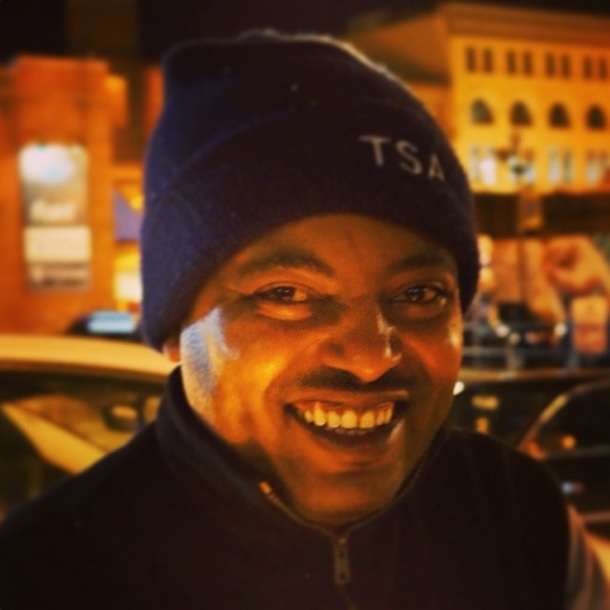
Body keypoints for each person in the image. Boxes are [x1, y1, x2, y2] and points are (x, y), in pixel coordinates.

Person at [0, 32, 608, 610]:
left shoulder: (524, 521)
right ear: (175, 329)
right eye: (287, 294)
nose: (370, 358)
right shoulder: (41, 577)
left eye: (419, 294)